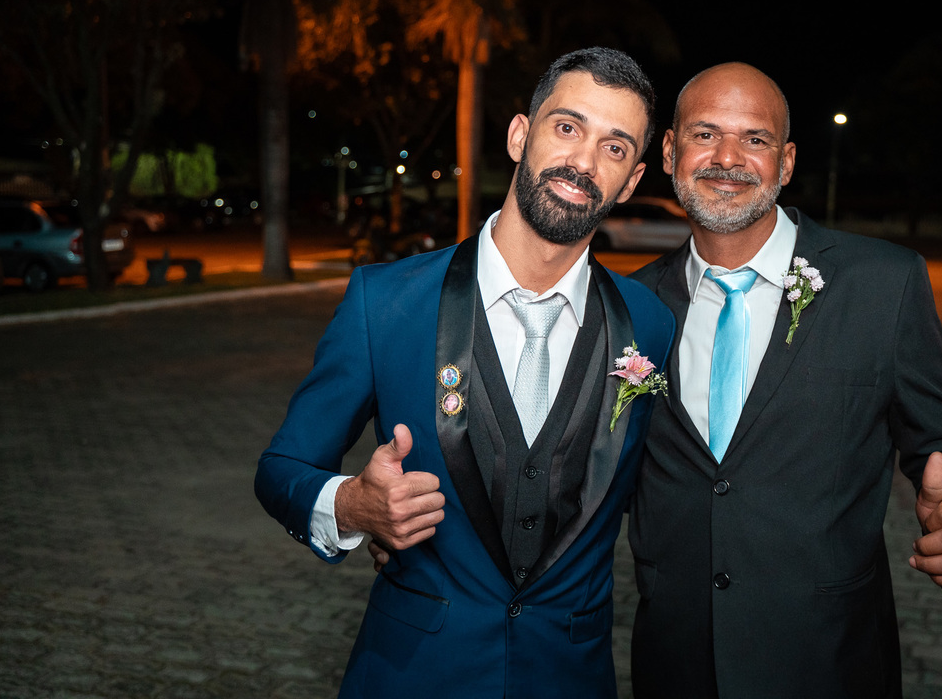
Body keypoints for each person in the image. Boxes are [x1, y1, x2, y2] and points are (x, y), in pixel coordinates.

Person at [255, 47, 674, 699]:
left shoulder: (649, 324)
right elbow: (282, 468)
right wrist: (353, 505)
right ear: (519, 135)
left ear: (631, 179)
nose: (584, 161)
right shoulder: (384, 302)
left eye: (614, 148)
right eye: (567, 127)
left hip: (569, 678)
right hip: (412, 674)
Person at [627, 62, 942, 698]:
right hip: (676, 665)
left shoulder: (884, 283)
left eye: (755, 139)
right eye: (705, 134)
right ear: (669, 152)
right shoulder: (632, 306)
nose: (727, 158)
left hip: (831, 662)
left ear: (787, 161)